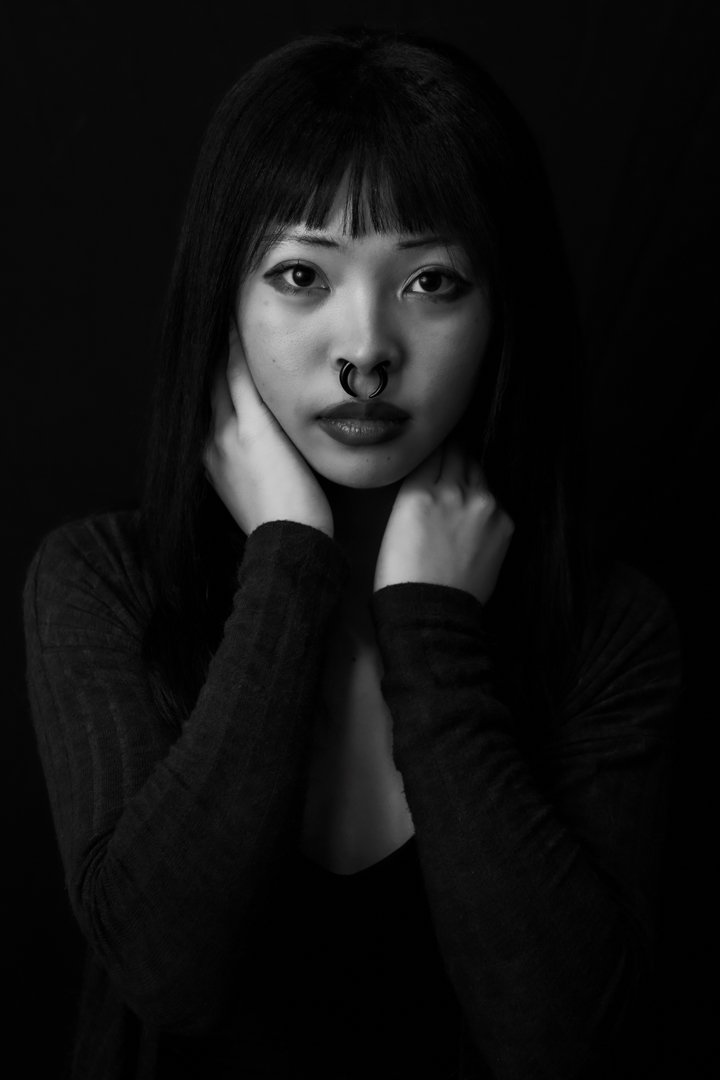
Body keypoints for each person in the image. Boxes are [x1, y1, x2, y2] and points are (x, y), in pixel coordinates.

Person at [23, 26, 681, 1080]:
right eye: (299, 274)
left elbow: (557, 1039)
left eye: (431, 282)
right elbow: (164, 974)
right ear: (222, 307)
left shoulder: (611, 627)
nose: (366, 350)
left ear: (502, 313)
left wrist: (431, 628)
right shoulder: (101, 582)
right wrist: (288, 558)